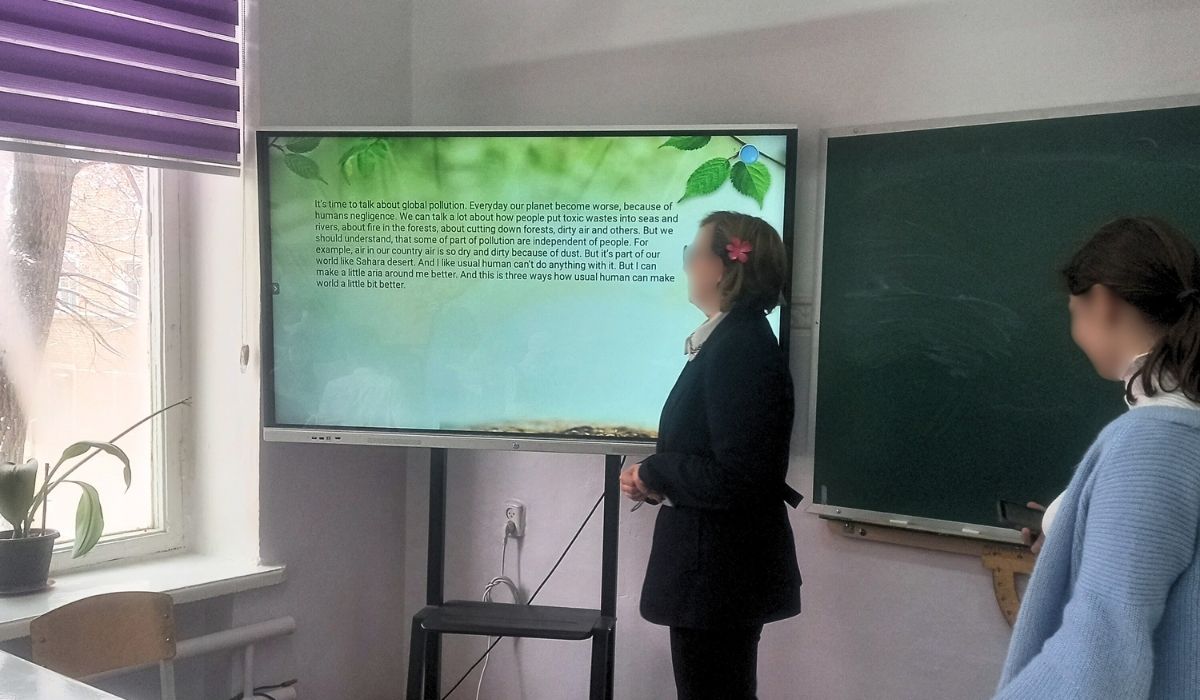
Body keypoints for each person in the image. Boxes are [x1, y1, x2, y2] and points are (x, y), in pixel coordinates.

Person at [996, 217, 1200, 699]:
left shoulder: (1149, 445)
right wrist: (1073, 535)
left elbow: (1100, 657)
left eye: (1074, 312)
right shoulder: (1178, 428)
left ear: (1103, 304)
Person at [620, 211, 803, 700]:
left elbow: (740, 476)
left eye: (692, 253)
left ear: (722, 267)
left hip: (718, 579)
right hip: (716, 575)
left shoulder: (739, 348)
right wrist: (658, 479)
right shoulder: (731, 339)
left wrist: (654, 471)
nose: (686, 265)